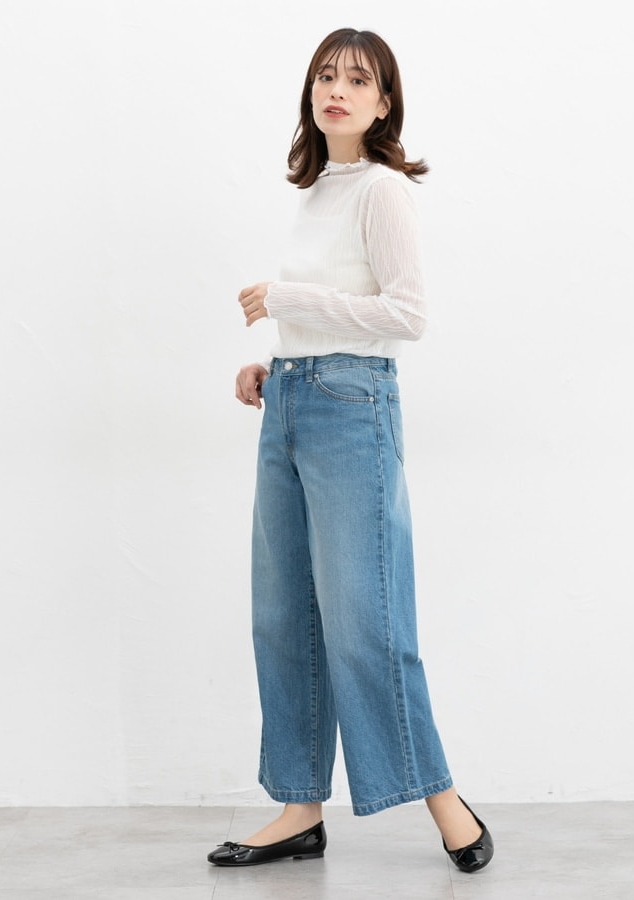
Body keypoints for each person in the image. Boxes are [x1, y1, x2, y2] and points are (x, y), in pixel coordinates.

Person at [208, 27, 494, 875]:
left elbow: (407, 315)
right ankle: (299, 808)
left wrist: (288, 300)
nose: (338, 90)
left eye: (359, 80)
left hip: (351, 409)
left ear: (384, 102)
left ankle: (444, 800)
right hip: (295, 401)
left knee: (365, 620)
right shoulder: (317, 191)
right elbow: (341, 307)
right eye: (326, 76)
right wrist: (276, 363)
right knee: (283, 616)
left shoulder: (382, 189)